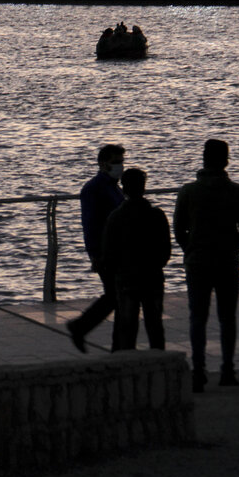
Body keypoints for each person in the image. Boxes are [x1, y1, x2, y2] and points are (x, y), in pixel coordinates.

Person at [173, 139, 239, 392]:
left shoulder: (188, 192)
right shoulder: (238, 192)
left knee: (198, 317)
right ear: (226, 161)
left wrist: (191, 248)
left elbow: (178, 229)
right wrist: (232, 246)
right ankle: (227, 371)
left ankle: (198, 372)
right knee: (227, 317)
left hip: (198, 261)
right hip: (227, 261)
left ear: (204, 159)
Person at [66, 144, 126, 352]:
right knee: (116, 297)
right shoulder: (94, 188)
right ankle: (81, 327)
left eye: (121, 161)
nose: (120, 166)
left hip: (119, 251)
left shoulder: (114, 186)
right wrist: (94, 254)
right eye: (115, 162)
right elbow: (89, 223)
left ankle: (115, 344)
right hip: (105, 252)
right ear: (102, 164)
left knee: (117, 298)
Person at [103, 168, 170, 351]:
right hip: (152, 277)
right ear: (144, 188)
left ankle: (128, 365)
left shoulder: (116, 217)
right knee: (155, 325)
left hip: (126, 279)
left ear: (124, 189)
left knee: (127, 327)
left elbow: (109, 253)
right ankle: (159, 362)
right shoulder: (157, 215)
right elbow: (165, 251)